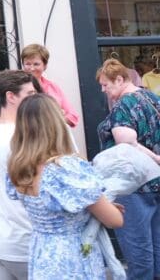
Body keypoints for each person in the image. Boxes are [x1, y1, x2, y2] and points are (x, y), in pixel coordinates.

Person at [7, 94, 123, 279]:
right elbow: (114, 220)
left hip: (42, 252)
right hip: (74, 256)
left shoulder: (19, 166)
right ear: (56, 124)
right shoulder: (66, 169)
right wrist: (106, 208)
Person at [96, 58, 160, 280]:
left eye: (106, 84)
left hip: (132, 186)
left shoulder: (123, 105)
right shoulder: (152, 97)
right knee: (157, 247)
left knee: (138, 251)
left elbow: (125, 142)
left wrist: (155, 159)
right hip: (155, 184)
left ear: (120, 79)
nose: (103, 90)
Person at [0, 70, 37, 280]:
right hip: (24, 240)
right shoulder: (21, 136)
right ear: (11, 96)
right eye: (29, 95)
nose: (35, 100)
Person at [20, 44, 78, 127]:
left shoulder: (53, 87)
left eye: (36, 64)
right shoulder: (18, 87)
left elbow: (73, 117)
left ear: (45, 66)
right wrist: (56, 114)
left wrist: (57, 118)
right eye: (28, 64)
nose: (32, 68)